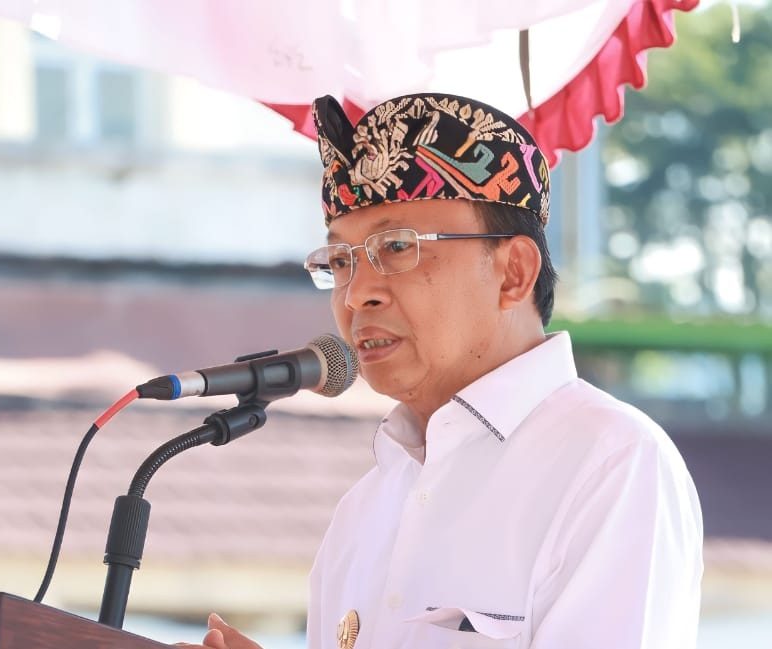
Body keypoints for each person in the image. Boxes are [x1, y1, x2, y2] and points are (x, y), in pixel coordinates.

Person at [178, 93, 703, 649]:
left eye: (396, 247)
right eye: (341, 261)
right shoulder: (364, 510)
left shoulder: (611, 462)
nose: (356, 295)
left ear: (513, 273)